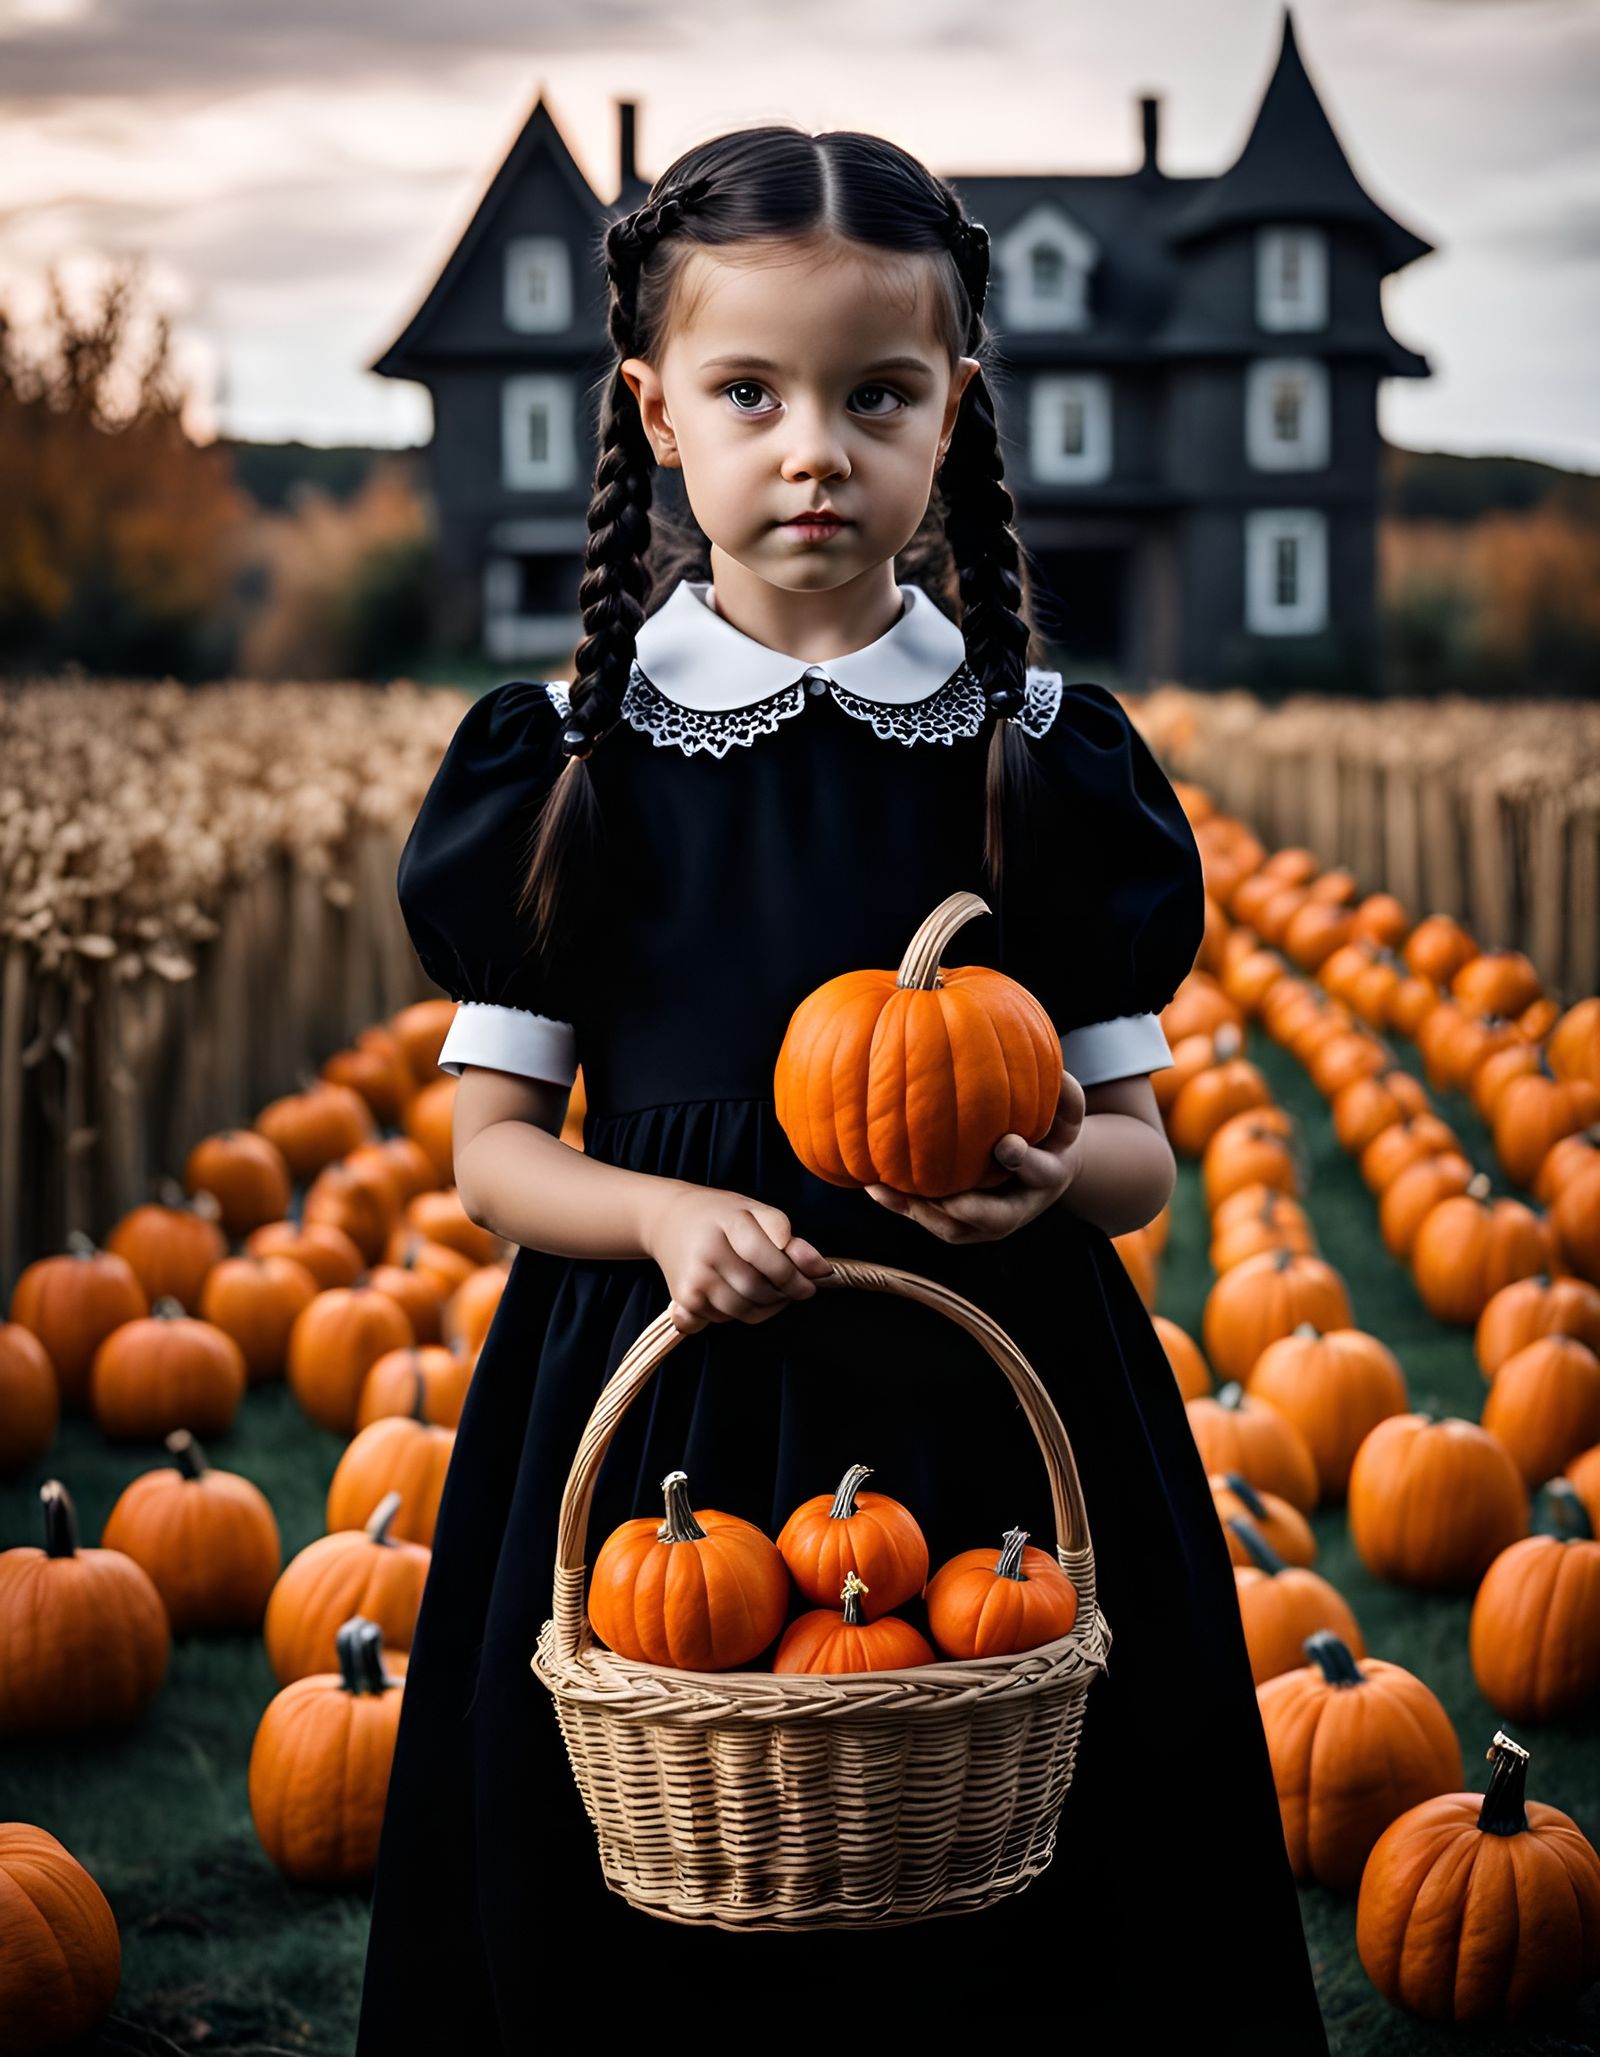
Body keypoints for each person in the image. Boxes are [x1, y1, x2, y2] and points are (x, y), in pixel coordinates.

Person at [355, 124, 1330, 2054]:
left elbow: (1141, 1159)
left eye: (877, 395)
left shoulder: (1040, 756)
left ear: (953, 405)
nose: (816, 448)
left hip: (989, 1398)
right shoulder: (569, 761)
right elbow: (488, 1156)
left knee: (1016, 1893)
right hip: (659, 1426)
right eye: (751, 393)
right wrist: (655, 1213)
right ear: (657, 410)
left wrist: (1052, 1175)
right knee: (659, 1902)